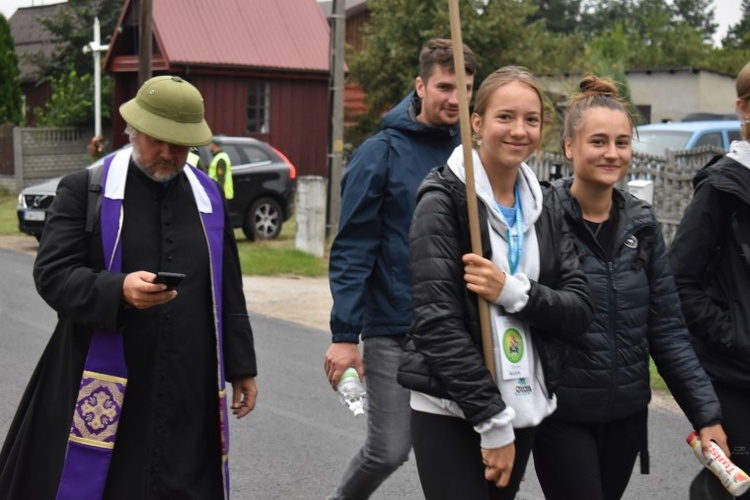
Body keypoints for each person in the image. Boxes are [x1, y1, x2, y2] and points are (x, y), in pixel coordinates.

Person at [0, 75, 258, 499]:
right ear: (134, 130)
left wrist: (241, 366)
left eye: (180, 145)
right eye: (158, 140)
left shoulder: (208, 197)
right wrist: (117, 289)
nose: (168, 154)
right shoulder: (85, 190)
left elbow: (228, 287)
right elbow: (52, 274)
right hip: (100, 378)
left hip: (187, 385)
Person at [397, 66, 594, 500]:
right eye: (505, 117)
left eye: (531, 119)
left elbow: (578, 310)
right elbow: (435, 324)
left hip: (522, 402)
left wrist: (513, 291)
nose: (518, 130)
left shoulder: (549, 206)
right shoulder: (444, 201)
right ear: (477, 122)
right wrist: (491, 421)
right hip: (452, 408)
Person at [532, 75, 727, 500]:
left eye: (622, 142)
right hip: (562, 414)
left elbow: (668, 329)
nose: (612, 153)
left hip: (627, 416)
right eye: (598, 142)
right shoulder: (543, 217)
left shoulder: (642, 223)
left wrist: (705, 414)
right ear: (569, 147)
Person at [322, 38, 476, 499]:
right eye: (445, 86)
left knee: (468, 448)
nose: (455, 99)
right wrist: (344, 336)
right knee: (388, 449)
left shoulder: (473, 153)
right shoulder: (380, 153)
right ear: (420, 86)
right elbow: (353, 248)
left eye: (465, 89)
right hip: (395, 329)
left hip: (461, 330)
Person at [670, 62, 750, 499]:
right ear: (743, 108)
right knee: (730, 490)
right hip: (734, 378)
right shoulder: (720, 190)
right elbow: (679, 283)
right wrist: (736, 336)